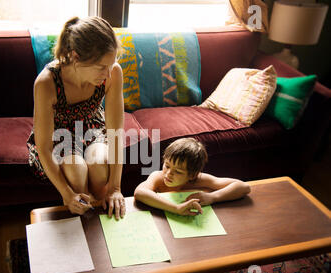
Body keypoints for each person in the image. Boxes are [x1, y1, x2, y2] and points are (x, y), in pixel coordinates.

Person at [27, 16, 126, 220]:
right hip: (59, 136)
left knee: (99, 165)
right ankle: (82, 215)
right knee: (76, 170)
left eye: (111, 64)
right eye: (101, 67)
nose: (108, 74)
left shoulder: (113, 73)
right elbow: (44, 148)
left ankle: (101, 219)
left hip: (92, 128)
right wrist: (67, 195)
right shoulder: (46, 83)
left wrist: (115, 188)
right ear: (75, 57)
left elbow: (116, 133)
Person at [134, 138, 251, 215]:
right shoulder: (158, 178)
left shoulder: (198, 179)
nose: (168, 173)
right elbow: (140, 192)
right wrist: (176, 208)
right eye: (167, 165)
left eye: (178, 171)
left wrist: (212, 197)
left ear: (192, 175)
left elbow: (243, 187)